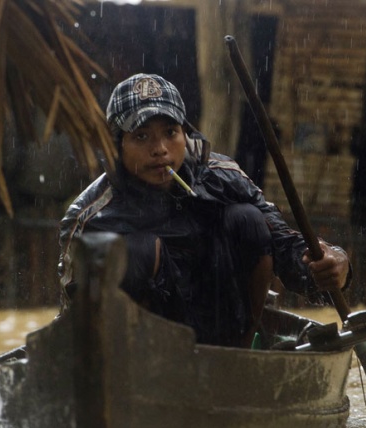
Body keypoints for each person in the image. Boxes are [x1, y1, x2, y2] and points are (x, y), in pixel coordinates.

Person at [58, 73, 350, 348]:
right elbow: (77, 310)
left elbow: (284, 244)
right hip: (141, 352)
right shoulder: (92, 214)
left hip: (221, 331)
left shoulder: (222, 177)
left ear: (185, 134)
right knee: (136, 250)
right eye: (141, 136)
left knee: (248, 219)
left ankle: (241, 353)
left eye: (170, 132)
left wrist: (332, 265)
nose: (160, 149)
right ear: (116, 146)